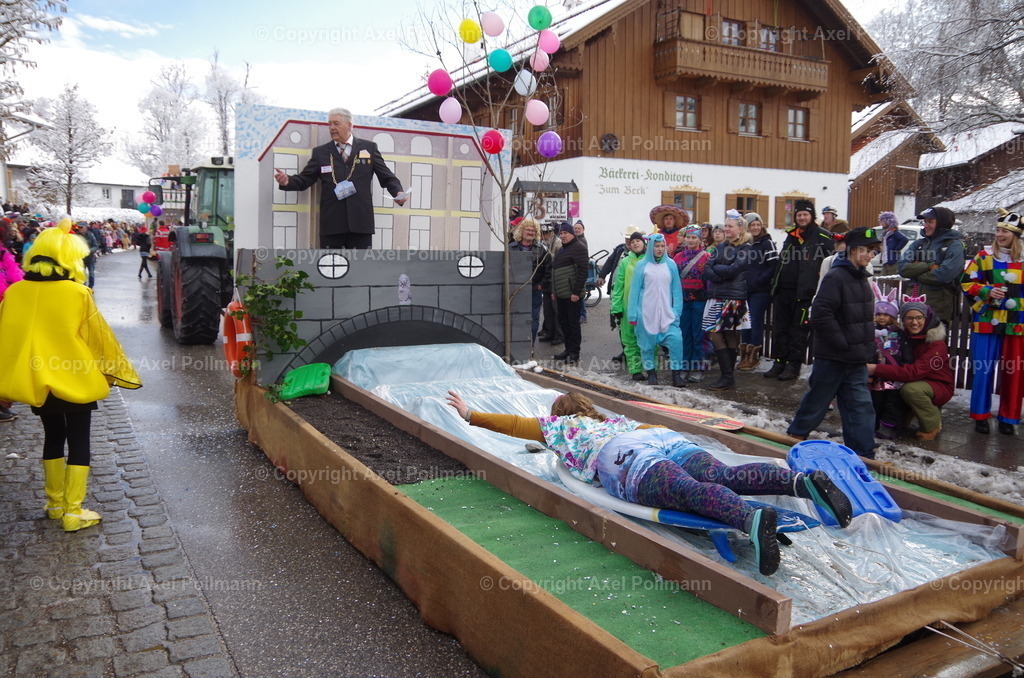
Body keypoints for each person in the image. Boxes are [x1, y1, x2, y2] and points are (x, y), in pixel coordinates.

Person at [445, 390, 853, 576]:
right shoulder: (614, 418)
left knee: (685, 491)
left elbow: (518, 424)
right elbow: (655, 428)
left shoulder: (561, 426)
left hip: (624, 458)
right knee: (721, 475)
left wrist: (471, 415)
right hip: (660, 438)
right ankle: (803, 483)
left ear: (562, 412)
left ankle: (750, 520)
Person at [0, 219, 141, 531]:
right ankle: (73, 513)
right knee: (79, 439)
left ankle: (53, 504)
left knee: (53, 436)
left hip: (38, 380)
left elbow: (6, 339)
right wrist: (113, 373)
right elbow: (100, 340)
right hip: (75, 378)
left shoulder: (15, 293)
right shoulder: (78, 293)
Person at [787, 227, 880, 458]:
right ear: (854, 250)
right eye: (868, 250)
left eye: (874, 251)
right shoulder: (836, 277)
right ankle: (793, 438)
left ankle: (863, 454)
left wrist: (867, 349)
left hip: (856, 359)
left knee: (860, 408)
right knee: (817, 402)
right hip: (834, 357)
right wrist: (842, 343)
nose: (871, 255)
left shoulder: (862, 279)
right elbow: (820, 314)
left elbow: (863, 320)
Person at [275, 107, 406, 249]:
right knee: (330, 268)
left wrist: (398, 192)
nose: (332, 128)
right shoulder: (321, 153)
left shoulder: (369, 148)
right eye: (329, 124)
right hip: (331, 224)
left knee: (360, 267)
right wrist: (287, 180)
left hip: (360, 223)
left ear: (349, 125)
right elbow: (305, 179)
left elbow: (387, 177)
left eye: (336, 123)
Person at [962, 210, 1024, 435]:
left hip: (1017, 323)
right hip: (988, 320)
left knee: (1014, 373)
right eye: (998, 230)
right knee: (983, 369)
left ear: (1015, 235)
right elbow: (966, 282)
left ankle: (1009, 418)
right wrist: (987, 291)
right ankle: (980, 415)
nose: (999, 234)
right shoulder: (984, 256)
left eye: (1005, 231)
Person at [868, 299, 954, 441]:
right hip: (916, 380)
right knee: (895, 390)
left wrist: (876, 368)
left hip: (937, 385)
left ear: (927, 318)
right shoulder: (904, 336)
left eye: (919, 317)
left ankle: (932, 425)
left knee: (910, 390)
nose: (914, 322)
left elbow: (912, 373)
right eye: (909, 318)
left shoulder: (936, 344)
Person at [767, 200, 834, 381]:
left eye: (805, 214)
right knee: (780, 330)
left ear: (811, 216)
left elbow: (831, 262)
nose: (802, 218)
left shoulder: (824, 236)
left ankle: (793, 366)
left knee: (798, 331)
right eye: (799, 215)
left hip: (805, 293)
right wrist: (776, 284)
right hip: (784, 291)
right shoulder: (792, 235)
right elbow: (782, 261)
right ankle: (779, 362)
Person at [701, 210, 752, 391]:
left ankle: (727, 376)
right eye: (725, 226)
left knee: (720, 334)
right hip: (717, 295)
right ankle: (727, 376)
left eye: (730, 226)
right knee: (722, 334)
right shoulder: (721, 246)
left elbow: (735, 270)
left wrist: (718, 270)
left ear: (740, 228)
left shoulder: (745, 247)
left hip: (732, 297)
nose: (726, 229)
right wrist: (721, 274)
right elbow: (706, 268)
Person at [628, 233, 685, 387]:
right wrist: (633, 314)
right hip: (646, 314)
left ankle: (676, 374)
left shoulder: (671, 264)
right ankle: (651, 373)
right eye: (656, 246)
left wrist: (676, 312)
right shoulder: (642, 265)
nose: (659, 249)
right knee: (646, 345)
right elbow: (634, 292)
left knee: (676, 341)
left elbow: (676, 291)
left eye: (662, 246)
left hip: (667, 314)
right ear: (650, 247)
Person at [899, 206, 965, 327]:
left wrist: (916, 271)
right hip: (912, 305)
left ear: (942, 223)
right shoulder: (918, 244)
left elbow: (944, 275)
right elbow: (902, 268)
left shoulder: (953, 245)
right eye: (925, 221)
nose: (926, 225)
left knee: (934, 343)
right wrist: (930, 266)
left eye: (930, 221)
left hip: (937, 307)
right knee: (910, 344)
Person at [738, 212, 776, 371]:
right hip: (746, 290)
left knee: (754, 322)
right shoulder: (747, 245)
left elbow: (773, 266)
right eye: (752, 225)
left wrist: (758, 281)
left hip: (760, 290)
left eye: (757, 224)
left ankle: (754, 356)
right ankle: (745, 356)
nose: (755, 227)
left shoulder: (767, 243)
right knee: (745, 322)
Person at [673, 225, 711, 382]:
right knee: (684, 335)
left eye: (694, 237)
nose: (690, 240)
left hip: (700, 301)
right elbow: (673, 280)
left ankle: (699, 367)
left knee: (699, 335)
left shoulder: (707, 257)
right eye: (688, 237)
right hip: (683, 301)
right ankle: (684, 366)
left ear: (700, 239)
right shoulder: (677, 258)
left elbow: (709, 280)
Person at [869, 284, 907, 440]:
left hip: (893, 375)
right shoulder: (870, 332)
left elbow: (904, 351)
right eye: (878, 314)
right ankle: (873, 424)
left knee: (892, 402)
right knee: (875, 400)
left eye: (886, 314)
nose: (882, 317)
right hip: (876, 375)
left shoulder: (899, 333)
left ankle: (889, 426)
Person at [610, 230, 647, 381]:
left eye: (638, 241)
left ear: (644, 243)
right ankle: (636, 370)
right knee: (630, 340)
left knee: (648, 340)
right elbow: (618, 287)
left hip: (647, 308)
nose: (635, 243)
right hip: (628, 308)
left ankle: (650, 369)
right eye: (632, 242)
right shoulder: (625, 262)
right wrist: (616, 307)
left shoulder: (651, 261)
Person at [549, 222, 588, 363]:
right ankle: (567, 348)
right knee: (563, 323)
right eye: (561, 233)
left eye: (566, 233)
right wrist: (554, 290)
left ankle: (574, 353)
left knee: (573, 324)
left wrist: (576, 292)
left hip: (572, 295)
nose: (563, 236)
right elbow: (555, 272)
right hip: (560, 293)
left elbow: (583, 272)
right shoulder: (562, 250)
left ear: (572, 234)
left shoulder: (579, 248)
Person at [509, 217, 547, 342]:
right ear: (522, 231)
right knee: (516, 317)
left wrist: (541, 285)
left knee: (533, 318)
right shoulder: (511, 248)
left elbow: (548, 269)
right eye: (528, 230)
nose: (530, 232)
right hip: (516, 290)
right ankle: (516, 344)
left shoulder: (541, 250)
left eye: (533, 230)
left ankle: (529, 345)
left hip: (534, 290)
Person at [537, 223, 563, 345]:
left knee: (556, 310)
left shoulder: (558, 243)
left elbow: (556, 260)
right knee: (547, 310)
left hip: (555, 279)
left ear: (552, 232)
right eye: (543, 233)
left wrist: (546, 255)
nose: (545, 236)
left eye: (547, 233)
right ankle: (550, 332)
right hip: (546, 279)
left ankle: (559, 335)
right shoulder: (542, 243)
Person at [878, 211, 908, 277]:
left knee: (891, 280)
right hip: (885, 261)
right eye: (881, 221)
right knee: (882, 279)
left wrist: (896, 249)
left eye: (883, 221)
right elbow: (882, 246)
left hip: (892, 262)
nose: (881, 223)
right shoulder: (885, 233)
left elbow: (904, 239)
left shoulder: (894, 232)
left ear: (889, 221)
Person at [75, 222, 99, 288]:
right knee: (82, 273)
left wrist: (89, 251)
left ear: (85, 228)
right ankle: (83, 287)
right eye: (78, 227)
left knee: (91, 273)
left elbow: (96, 246)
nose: (79, 229)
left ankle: (90, 287)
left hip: (90, 257)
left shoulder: (90, 235)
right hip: (81, 258)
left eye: (81, 227)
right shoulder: (76, 236)